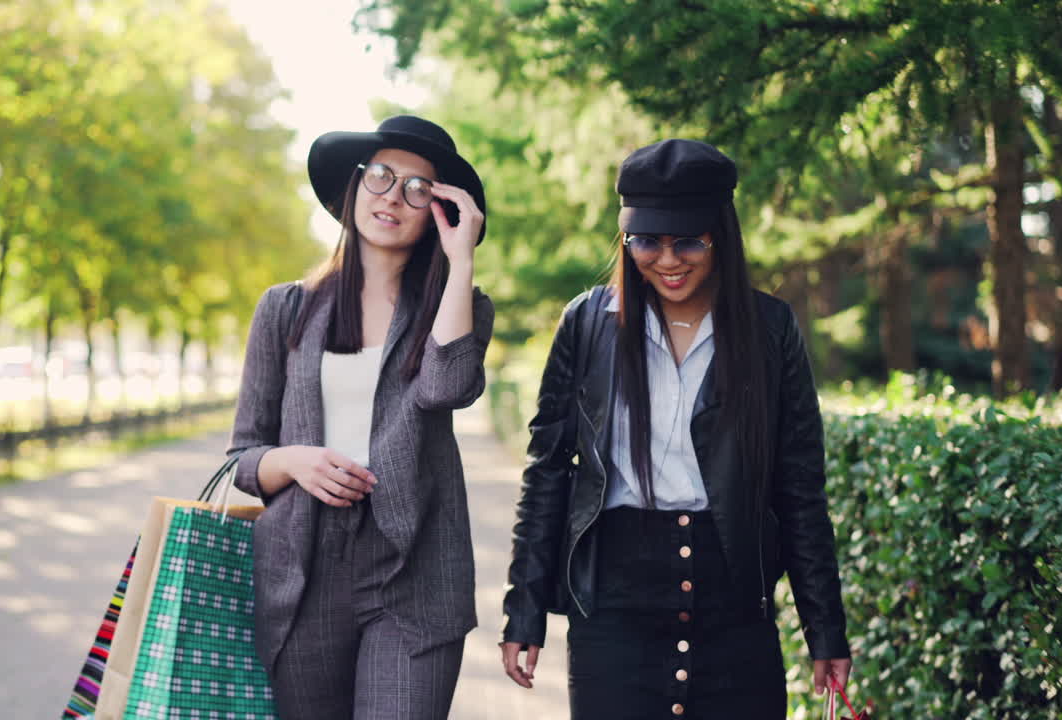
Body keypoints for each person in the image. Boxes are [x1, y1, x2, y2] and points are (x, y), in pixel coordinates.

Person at [499, 139, 852, 718]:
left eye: (688, 240)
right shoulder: (587, 324)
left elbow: (799, 487)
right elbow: (548, 476)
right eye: (646, 241)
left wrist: (825, 627)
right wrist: (524, 611)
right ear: (625, 238)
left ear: (722, 236)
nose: (668, 260)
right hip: (611, 607)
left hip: (735, 605)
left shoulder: (769, 328)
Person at [228, 115, 492, 720]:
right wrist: (293, 460)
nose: (394, 198)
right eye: (380, 177)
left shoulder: (460, 307)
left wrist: (460, 263)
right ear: (354, 187)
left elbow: (448, 387)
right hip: (302, 570)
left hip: (416, 572)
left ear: (440, 211)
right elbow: (242, 459)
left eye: (418, 189)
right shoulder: (285, 309)